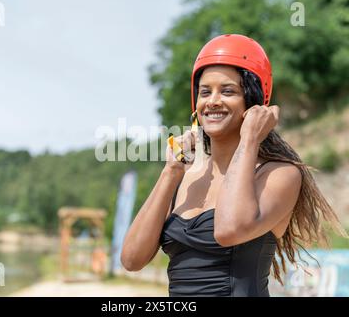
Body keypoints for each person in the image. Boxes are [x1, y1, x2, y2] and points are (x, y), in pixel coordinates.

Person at [121, 34, 347, 297]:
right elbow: (131, 259)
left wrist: (250, 138)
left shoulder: (280, 174)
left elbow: (229, 230)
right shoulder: (183, 175)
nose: (213, 101)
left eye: (228, 91)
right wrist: (170, 171)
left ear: (251, 101)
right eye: (205, 92)